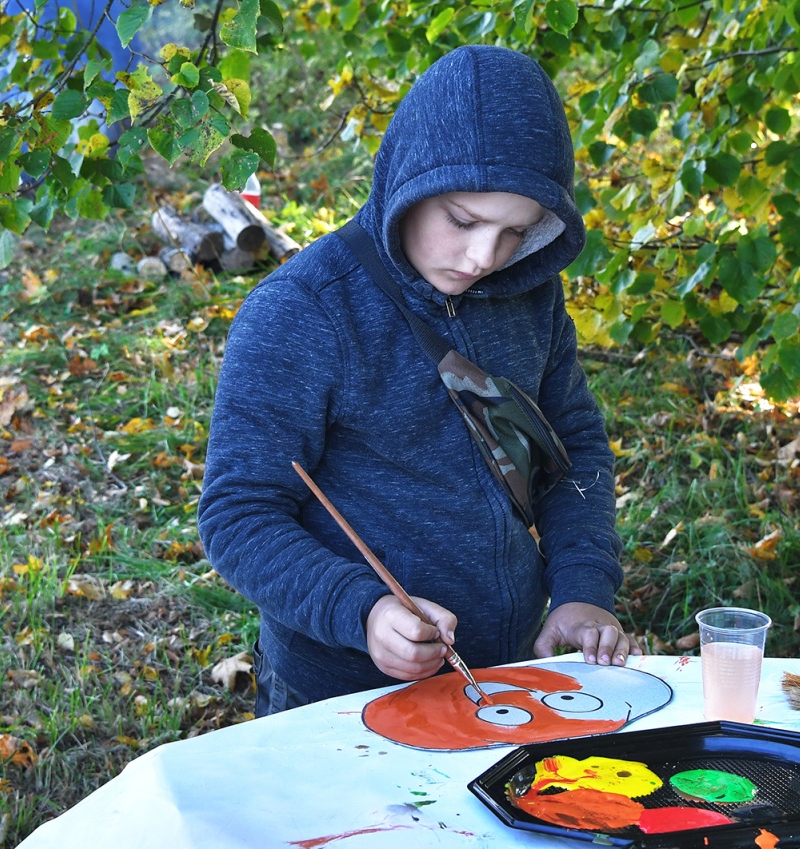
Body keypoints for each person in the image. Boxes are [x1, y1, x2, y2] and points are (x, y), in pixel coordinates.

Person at [197, 44, 641, 715]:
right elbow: (239, 515)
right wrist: (362, 610)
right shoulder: (302, 312)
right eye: (463, 220)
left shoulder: (531, 296)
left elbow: (572, 450)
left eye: (515, 232)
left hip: (507, 675)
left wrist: (582, 587)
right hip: (338, 694)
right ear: (410, 181)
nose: (483, 256)